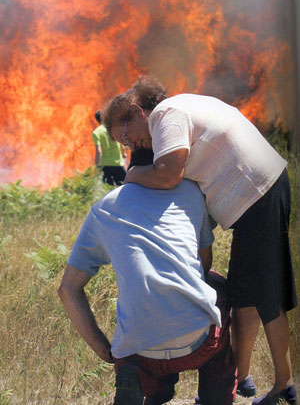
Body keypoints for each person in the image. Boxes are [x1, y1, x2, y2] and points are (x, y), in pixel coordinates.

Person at [103, 75, 298, 405]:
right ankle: (244, 379)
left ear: (137, 112)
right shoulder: (179, 109)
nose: (130, 146)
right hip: (259, 195)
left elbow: (168, 174)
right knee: (244, 295)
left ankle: (285, 385)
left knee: (267, 297)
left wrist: (132, 175)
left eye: (125, 137)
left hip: (258, 195)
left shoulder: (167, 114)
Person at [58, 149, 250, 405]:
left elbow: (67, 290)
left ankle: (142, 380)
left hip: (140, 352)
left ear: (132, 166)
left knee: (139, 328)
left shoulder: (103, 207)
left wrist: (106, 351)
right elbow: (204, 264)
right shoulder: (190, 191)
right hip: (198, 344)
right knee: (218, 287)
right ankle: (216, 397)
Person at [92, 109, 126, 186]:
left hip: (104, 165)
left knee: (108, 189)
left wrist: (97, 166)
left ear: (97, 120)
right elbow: (122, 144)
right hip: (118, 163)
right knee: (123, 186)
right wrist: (124, 154)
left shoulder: (96, 132)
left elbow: (99, 151)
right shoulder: (114, 128)